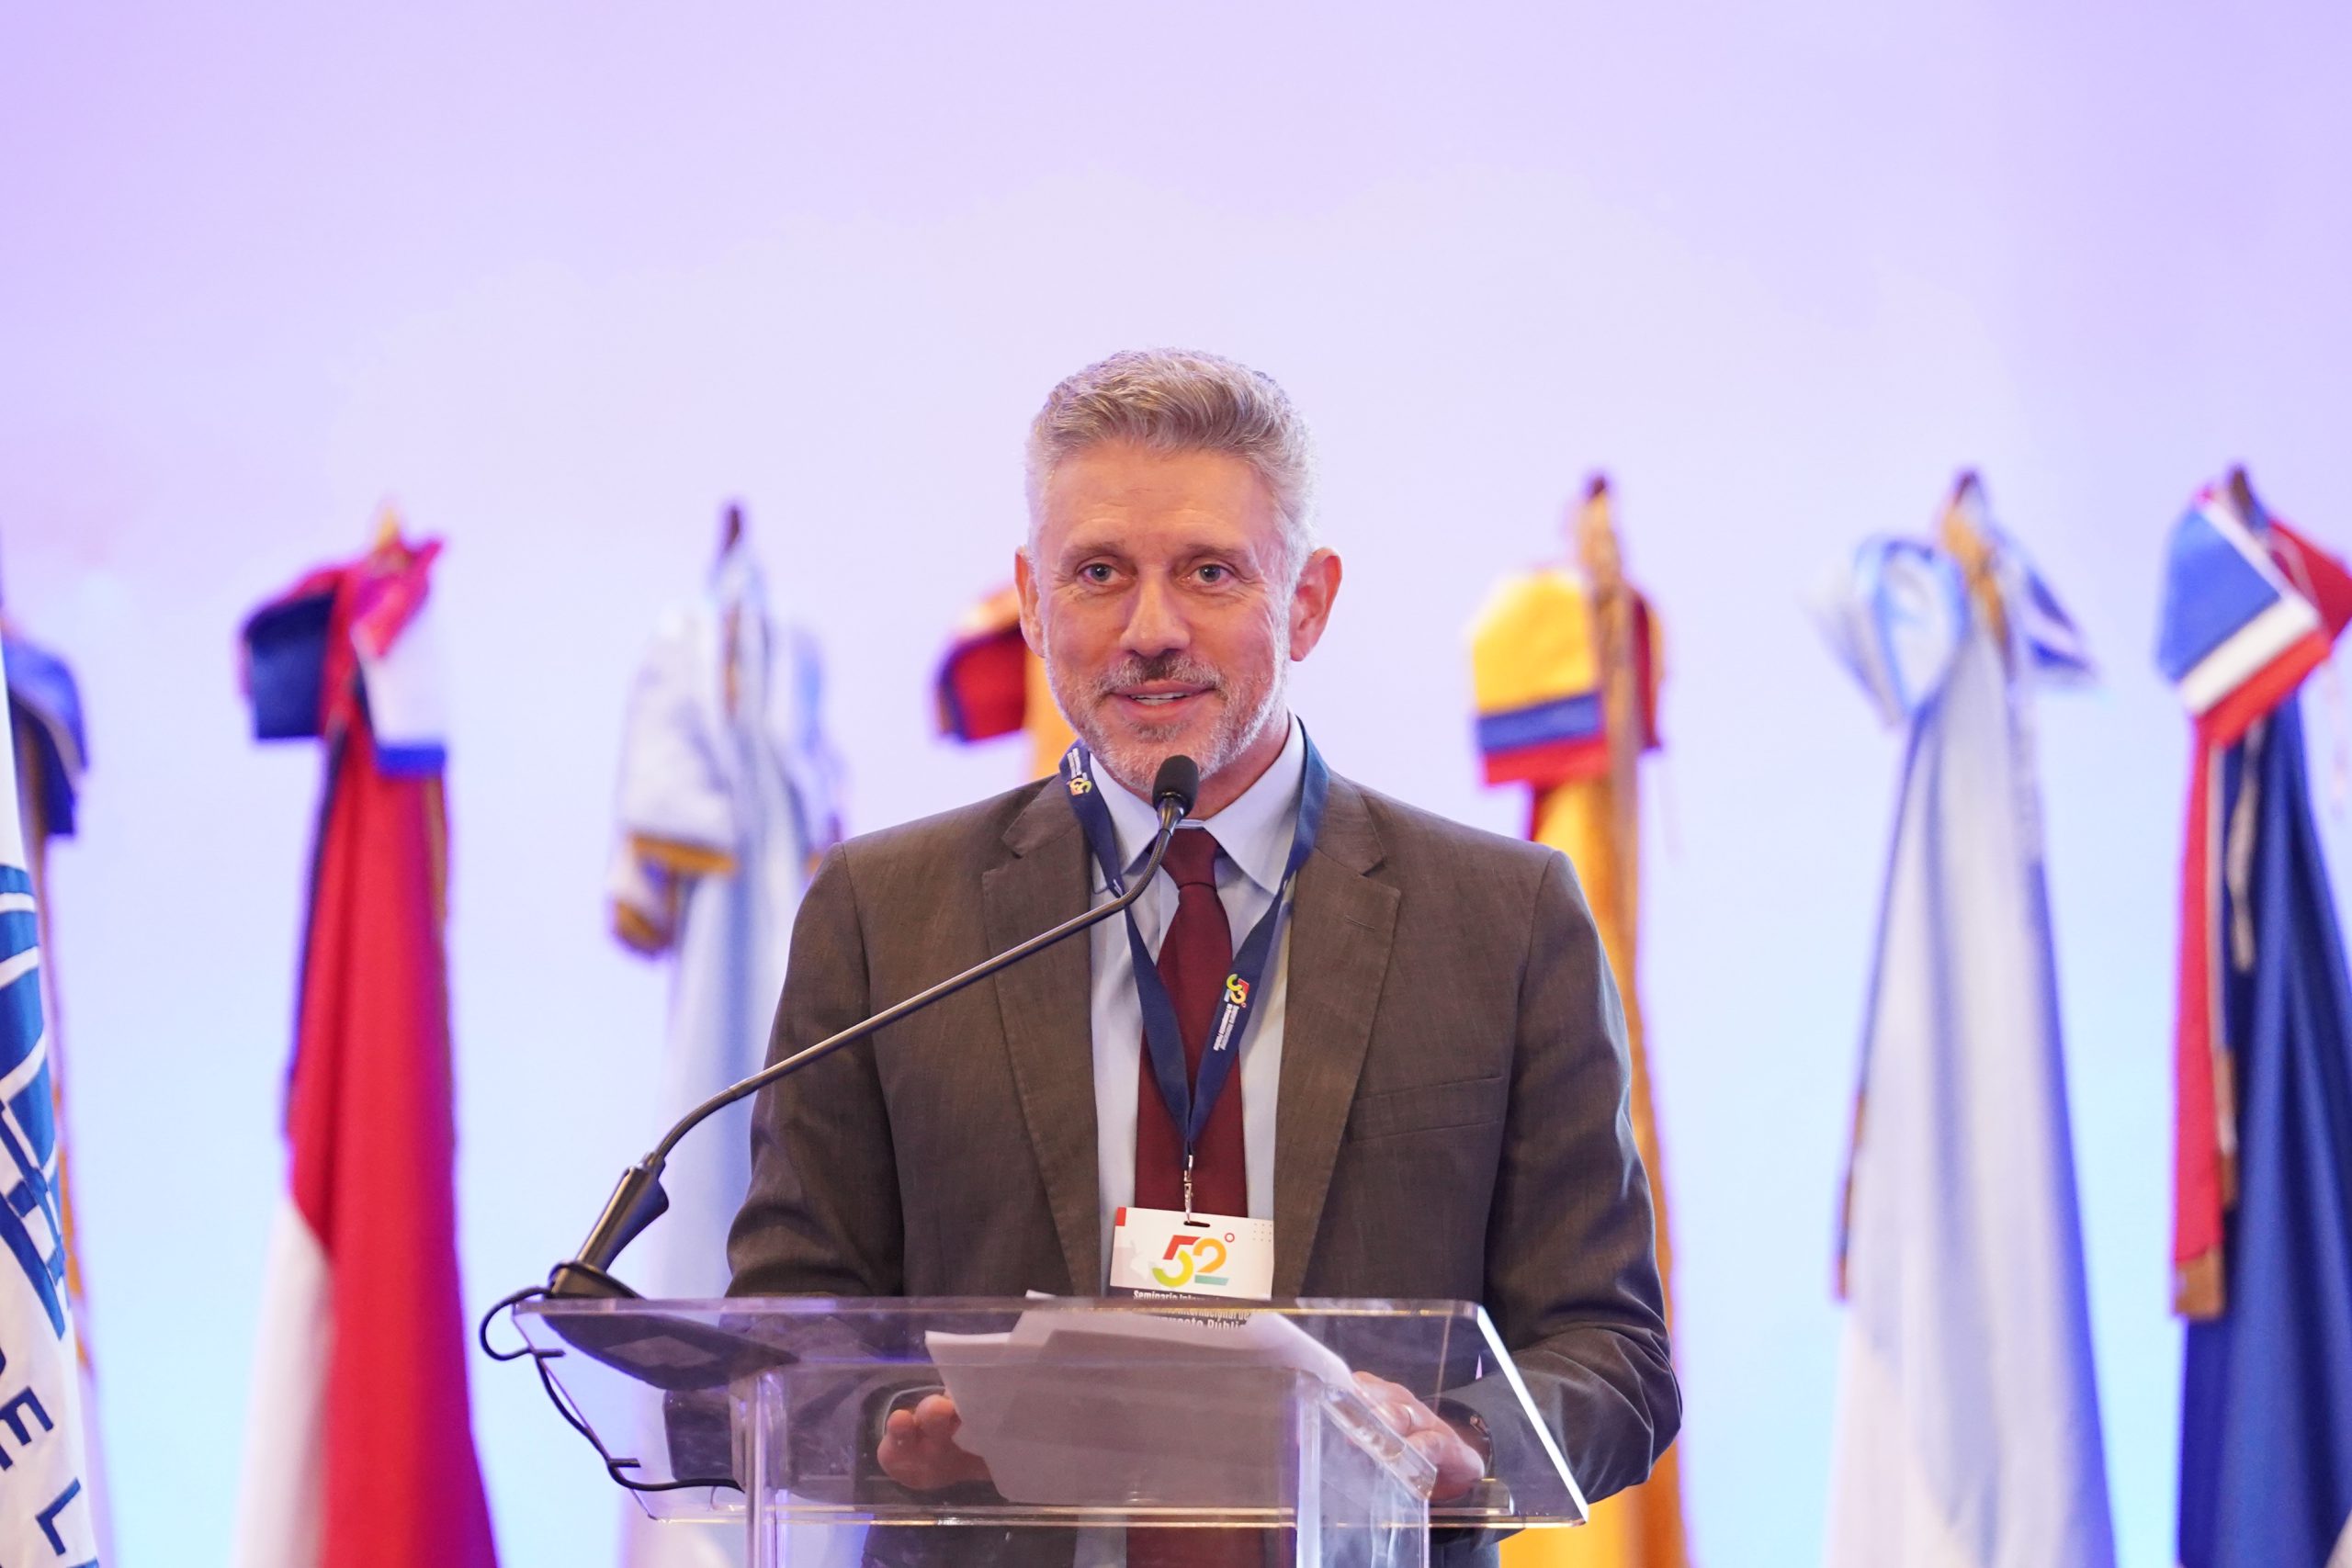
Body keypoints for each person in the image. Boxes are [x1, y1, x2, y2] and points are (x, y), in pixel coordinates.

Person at [728, 349, 1679, 1564]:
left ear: (1309, 602)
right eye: (1099, 573)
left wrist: (1462, 1441)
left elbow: (1613, 1356)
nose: (1151, 631)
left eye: (1210, 572)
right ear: (1033, 601)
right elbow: (784, 1323)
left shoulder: (1503, 918)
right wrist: (893, 1424)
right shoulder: (884, 913)